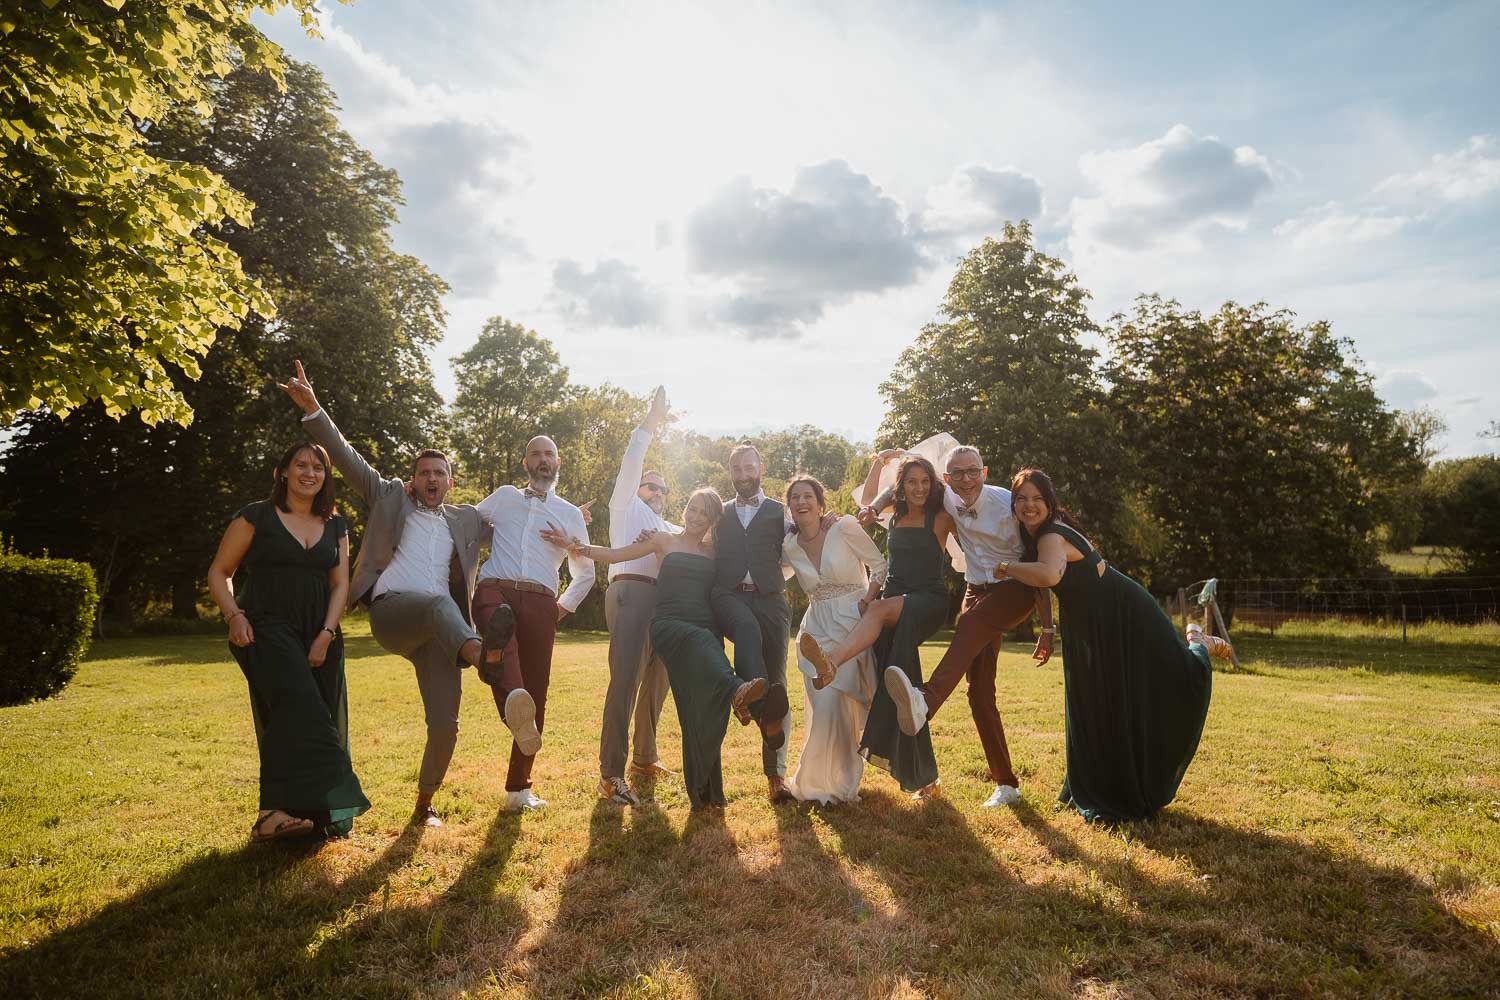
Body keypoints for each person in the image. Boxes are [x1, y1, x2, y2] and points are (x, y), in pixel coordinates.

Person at [282, 362, 520, 829]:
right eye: (424, 472)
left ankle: (424, 803)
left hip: (439, 635)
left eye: (440, 473)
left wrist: (569, 522)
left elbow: (515, 523)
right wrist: (314, 411)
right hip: (394, 614)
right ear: (413, 479)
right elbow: (346, 456)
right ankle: (484, 658)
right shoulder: (389, 497)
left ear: (450, 482)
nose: (432, 479)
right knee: (438, 607)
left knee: (446, 726)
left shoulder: (467, 520)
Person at [939, 468, 1220, 822]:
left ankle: (1198, 642)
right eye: (1022, 499)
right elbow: (1041, 585)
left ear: (1049, 501)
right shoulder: (1033, 535)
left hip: (1124, 614)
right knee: (1098, 703)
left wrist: (1007, 568)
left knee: (1176, 676)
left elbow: (1048, 575)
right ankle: (1100, 786)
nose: (1029, 505)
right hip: (1088, 625)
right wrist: (1047, 627)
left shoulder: (1051, 535)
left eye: (1037, 499)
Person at [544, 489, 767, 811]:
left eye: (703, 512)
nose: (693, 516)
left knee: (702, 707)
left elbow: (744, 569)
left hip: (705, 626)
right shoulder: (664, 540)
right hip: (672, 624)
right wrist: (576, 545)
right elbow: (616, 554)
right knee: (708, 657)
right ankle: (737, 691)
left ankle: (706, 795)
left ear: (714, 520)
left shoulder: (715, 552)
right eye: (691, 508)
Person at [860, 444, 1054, 808]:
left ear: (984, 471)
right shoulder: (947, 498)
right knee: (979, 692)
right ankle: (1006, 784)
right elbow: (900, 488)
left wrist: (1047, 626)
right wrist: (879, 496)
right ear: (946, 480)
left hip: (1015, 589)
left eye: (973, 471)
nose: (966, 479)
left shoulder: (1007, 505)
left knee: (970, 624)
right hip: (976, 590)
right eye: (958, 474)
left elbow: (1038, 559)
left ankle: (925, 703)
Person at [207, 440, 370, 840]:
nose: (310, 472)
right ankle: (293, 807)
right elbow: (219, 571)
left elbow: (340, 585)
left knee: (308, 713)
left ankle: (300, 814)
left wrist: (327, 634)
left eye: (319, 467)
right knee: (303, 708)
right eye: (301, 464)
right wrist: (234, 615)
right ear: (283, 472)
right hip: (265, 626)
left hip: (321, 630)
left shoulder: (337, 524)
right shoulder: (256, 516)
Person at [801, 455, 954, 799]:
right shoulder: (895, 515)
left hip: (926, 601)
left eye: (925, 482)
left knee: (880, 609)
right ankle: (926, 779)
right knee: (904, 688)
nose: (919, 488)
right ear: (901, 487)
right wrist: (879, 465)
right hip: (892, 606)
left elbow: (972, 523)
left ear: (933, 486)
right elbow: (866, 503)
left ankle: (832, 661)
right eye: (911, 481)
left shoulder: (941, 518)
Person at [473, 435, 595, 811]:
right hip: (495, 589)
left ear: (558, 464)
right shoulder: (505, 496)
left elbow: (585, 572)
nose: (543, 460)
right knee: (503, 645)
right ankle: (506, 684)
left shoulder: (572, 515)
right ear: (525, 464)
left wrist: (559, 608)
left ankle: (518, 790)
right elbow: (467, 526)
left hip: (542, 600)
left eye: (550, 454)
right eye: (536, 454)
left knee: (535, 690)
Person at [597, 386, 680, 807]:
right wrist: (651, 423)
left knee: (658, 680)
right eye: (651, 485)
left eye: (663, 489)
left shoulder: (671, 530)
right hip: (630, 591)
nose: (656, 491)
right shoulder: (625, 506)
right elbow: (633, 461)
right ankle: (611, 774)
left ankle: (644, 759)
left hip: (665, 605)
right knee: (626, 680)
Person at [782, 476, 887, 805]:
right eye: (796, 497)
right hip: (815, 629)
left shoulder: (844, 528)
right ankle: (816, 783)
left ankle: (840, 783)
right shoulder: (789, 546)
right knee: (824, 705)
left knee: (842, 705)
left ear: (820, 502)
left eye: (808, 496)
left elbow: (879, 565)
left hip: (852, 625)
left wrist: (869, 599)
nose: (802, 502)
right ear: (790, 508)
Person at [709, 443, 795, 802]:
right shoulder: (720, 512)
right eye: (736, 469)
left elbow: (798, 549)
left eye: (748, 467)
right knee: (745, 635)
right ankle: (751, 701)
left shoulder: (781, 512)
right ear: (729, 472)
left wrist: (774, 580)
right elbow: (695, 533)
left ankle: (776, 778)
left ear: (761, 467)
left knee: (775, 681)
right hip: (729, 595)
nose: (743, 475)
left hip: (771, 599)